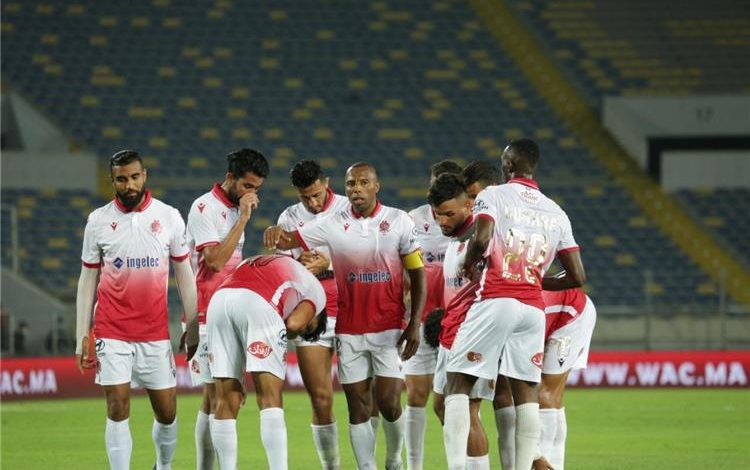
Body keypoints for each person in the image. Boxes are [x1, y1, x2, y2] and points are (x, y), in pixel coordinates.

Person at [264, 162, 427, 470]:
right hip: (335, 322)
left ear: (376, 185)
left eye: (363, 183)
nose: (356, 189)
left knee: (387, 402)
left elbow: (416, 271)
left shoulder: (394, 219)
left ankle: (394, 459)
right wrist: (274, 233)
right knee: (348, 404)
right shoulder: (322, 221)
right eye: (352, 184)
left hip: (383, 324)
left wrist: (414, 322)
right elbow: (287, 245)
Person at [442, 139, 585, 470]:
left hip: (497, 298)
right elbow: (577, 275)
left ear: (507, 165)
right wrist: (534, 279)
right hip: (533, 310)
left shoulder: (494, 195)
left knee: (457, 383)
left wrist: (468, 264)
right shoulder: (556, 212)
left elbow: (481, 238)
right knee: (526, 394)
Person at [74, 150, 198, 470]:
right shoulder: (98, 221)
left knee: (167, 413)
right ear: (112, 180)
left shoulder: (169, 216)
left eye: (133, 177)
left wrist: (192, 324)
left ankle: (163, 466)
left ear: (144, 176)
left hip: (154, 332)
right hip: (111, 329)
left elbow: (184, 273)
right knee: (117, 406)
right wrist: (81, 334)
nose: (128, 184)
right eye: (121, 179)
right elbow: (87, 279)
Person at [203, 254, 328, 470]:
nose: (300, 333)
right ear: (317, 314)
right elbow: (294, 323)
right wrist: (288, 332)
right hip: (259, 304)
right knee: (269, 398)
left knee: (225, 400)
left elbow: (239, 300)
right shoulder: (318, 293)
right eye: (310, 327)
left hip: (219, 301)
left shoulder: (265, 260)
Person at [186, 148, 269, 470]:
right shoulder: (205, 207)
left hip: (229, 314)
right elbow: (216, 262)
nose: (252, 194)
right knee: (223, 398)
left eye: (257, 189)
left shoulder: (234, 208)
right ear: (230, 178)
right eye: (247, 186)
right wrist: (244, 218)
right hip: (208, 315)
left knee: (214, 400)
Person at [275, 160, 349, 470]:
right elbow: (282, 269)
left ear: (326, 183)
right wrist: (299, 265)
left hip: (351, 308)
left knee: (364, 398)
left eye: (317, 195)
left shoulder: (348, 208)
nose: (313, 203)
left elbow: (368, 257)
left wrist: (327, 264)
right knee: (320, 398)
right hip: (312, 310)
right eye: (305, 197)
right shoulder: (288, 218)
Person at [427, 173, 493, 470]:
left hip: (473, 334)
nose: (442, 221)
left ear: (468, 205)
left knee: (468, 409)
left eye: (448, 214)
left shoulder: (481, 240)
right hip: (451, 334)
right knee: (441, 405)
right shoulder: (455, 239)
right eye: (437, 214)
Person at [493, 285, 597, 470]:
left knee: (543, 396)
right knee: (515, 395)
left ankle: (548, 464)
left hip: (570, 314)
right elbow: (502, 396)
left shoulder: (500, 319)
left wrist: (535, 454)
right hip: (542, 315)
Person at [403, 159, 463, 470]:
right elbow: (401, 265)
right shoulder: (412, 221)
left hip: (457, 322)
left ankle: (461, 462)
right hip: (420, 319)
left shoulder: (467, 222)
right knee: (416, 395)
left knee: (455, 400)